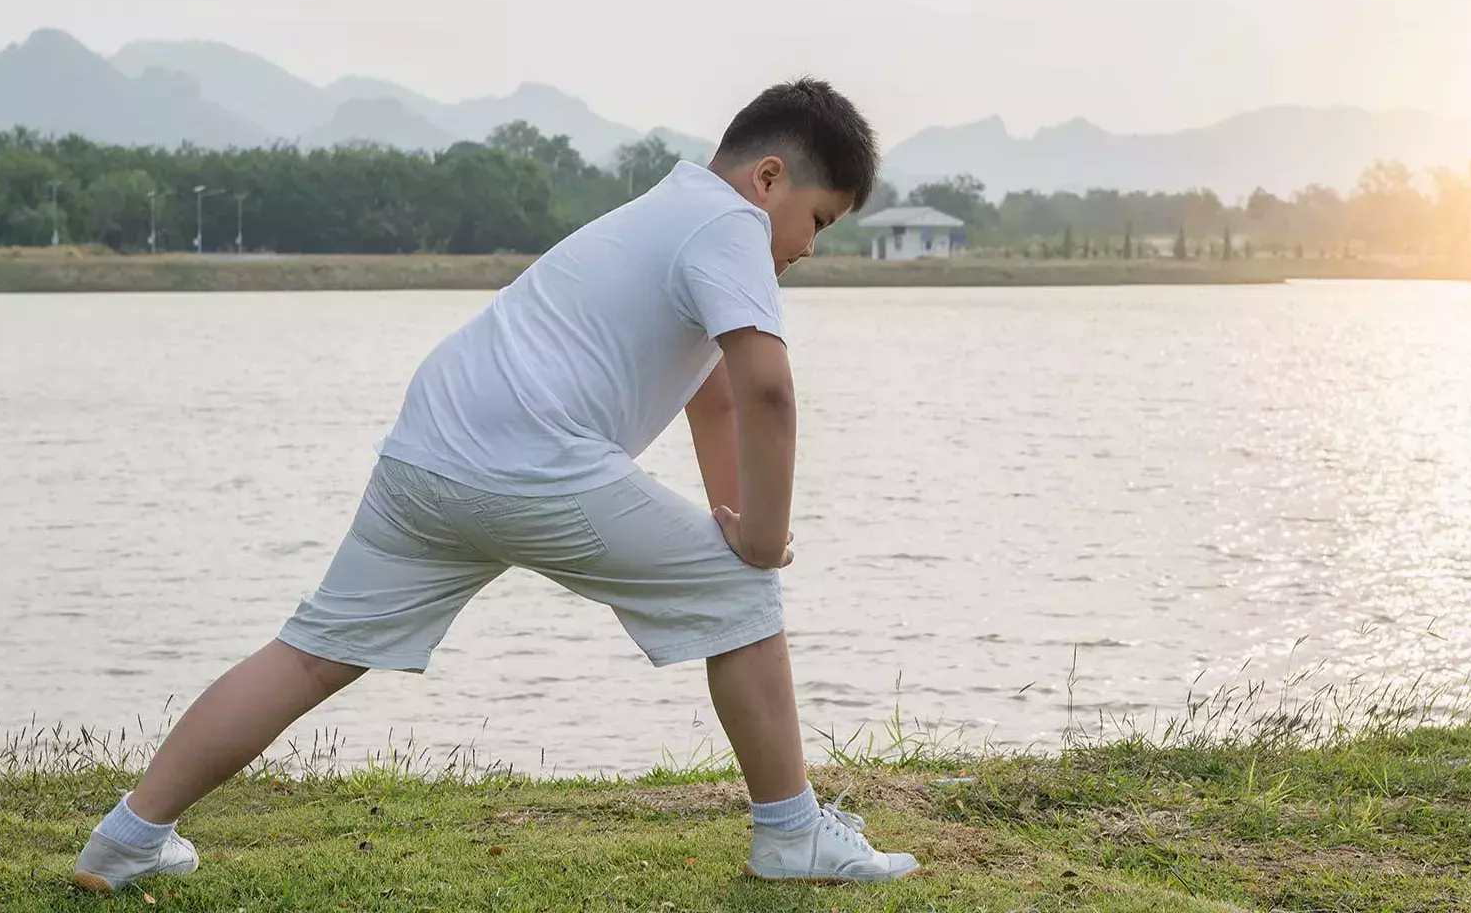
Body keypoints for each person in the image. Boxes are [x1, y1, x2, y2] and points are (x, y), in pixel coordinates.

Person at [72, 78, 919, 891]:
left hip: (429, 450)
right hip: (530, 460)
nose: (809, 246)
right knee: (742, 595)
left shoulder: (661, 212)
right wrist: (760, 545)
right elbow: (768, 387)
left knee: (311, 654)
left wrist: (733, 515)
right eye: (817, 219)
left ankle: (127, 838)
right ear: (767, 180)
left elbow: (716, 398)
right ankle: (789, 834)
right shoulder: (729, 225)